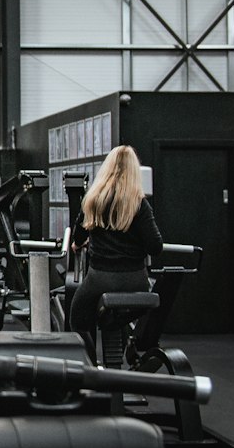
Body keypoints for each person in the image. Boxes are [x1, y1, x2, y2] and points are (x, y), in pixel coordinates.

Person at [68, 144, 163, 354]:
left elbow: (78, 235)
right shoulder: (139, 204)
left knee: (78, 319)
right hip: (135, 279)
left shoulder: (94, 200)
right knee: (128, 316)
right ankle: (134, 348)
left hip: (100, 279)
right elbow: (155, 247)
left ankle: (90, 365)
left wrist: (77, 244)